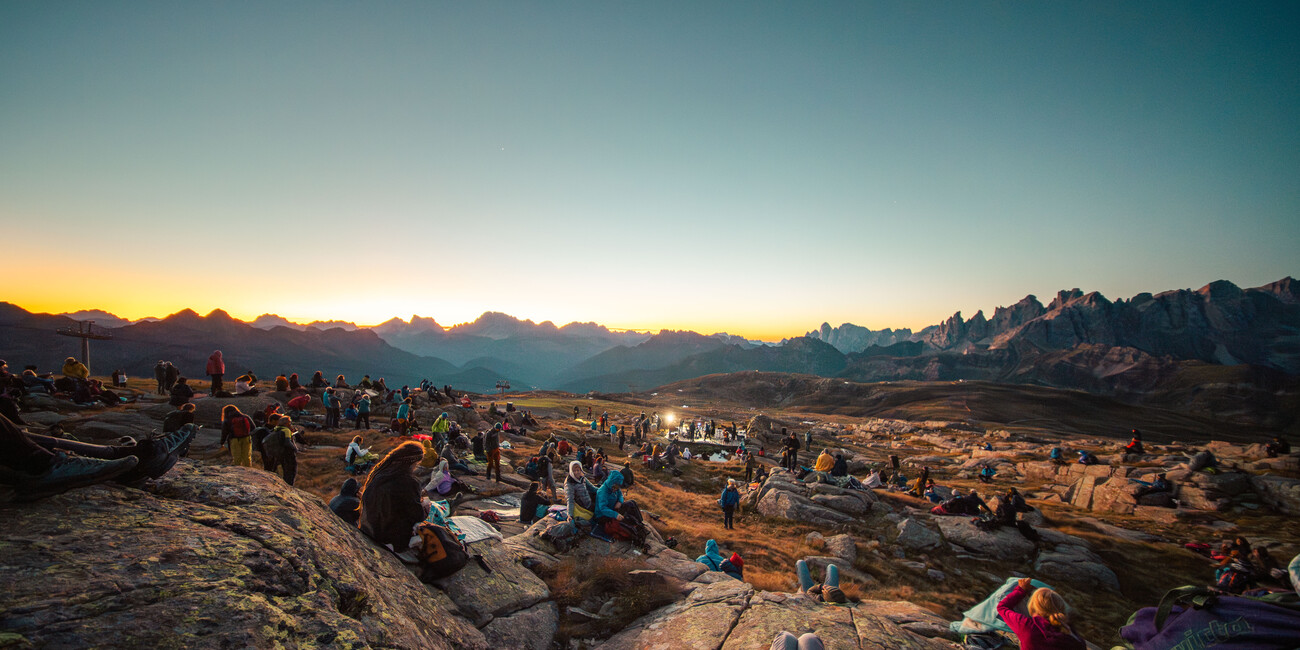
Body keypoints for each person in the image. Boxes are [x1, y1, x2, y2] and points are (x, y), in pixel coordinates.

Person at [359, 441, 427, 561]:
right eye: (416, 463)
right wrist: (425, 506)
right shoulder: (407, 481)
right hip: (388, 537)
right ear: (412, 463)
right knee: (426, 517)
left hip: (369, 528)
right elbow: (417, 515)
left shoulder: (379, 473)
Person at [996, 577, 1086, 649]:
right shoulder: (1075, 637)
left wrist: (1021, 590)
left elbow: (1002, 607)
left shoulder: (1027, 625)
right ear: (1061, 608)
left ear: (1033, 607)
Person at [594, 471, 647, 546]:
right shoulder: (603, 491)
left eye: (618, 486)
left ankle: (640, 524)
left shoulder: (614, 487)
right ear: (611, 482)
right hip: (602, 515)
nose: (617, 488)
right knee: (622, 521)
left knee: (631, 503)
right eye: (616, 486)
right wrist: (615, 515)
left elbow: (620, 495)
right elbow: (602, 509)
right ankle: (634, 533)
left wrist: (619, 501)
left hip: (613, 509)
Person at [261, 415, 300, 485]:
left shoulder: (276, 429)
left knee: (284, 471)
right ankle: (289, 487)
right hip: (288, 454)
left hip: (280, 454)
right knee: (291, 472)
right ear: (286, 424)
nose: (291, 424)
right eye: (289, 423)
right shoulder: (286, 430)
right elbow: (287, 442)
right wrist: (295, 449)